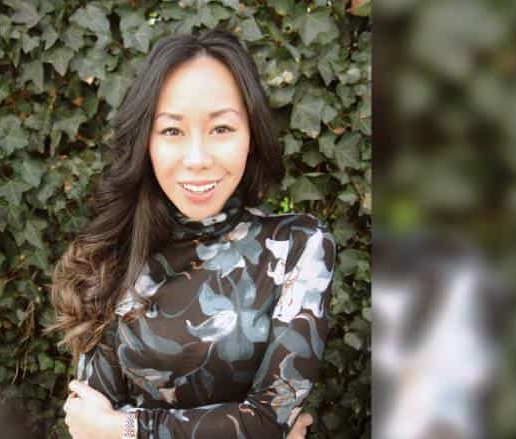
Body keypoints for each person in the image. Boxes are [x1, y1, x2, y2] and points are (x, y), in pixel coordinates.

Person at [46, 29, 336, 439]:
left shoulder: (296, 245)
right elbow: (89, 425)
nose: (197, 159)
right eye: (172, 131)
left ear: (252, 136)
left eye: (221, 128)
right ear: (145, 143)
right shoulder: (115, 251)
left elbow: (268, 420)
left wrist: (126, 429)